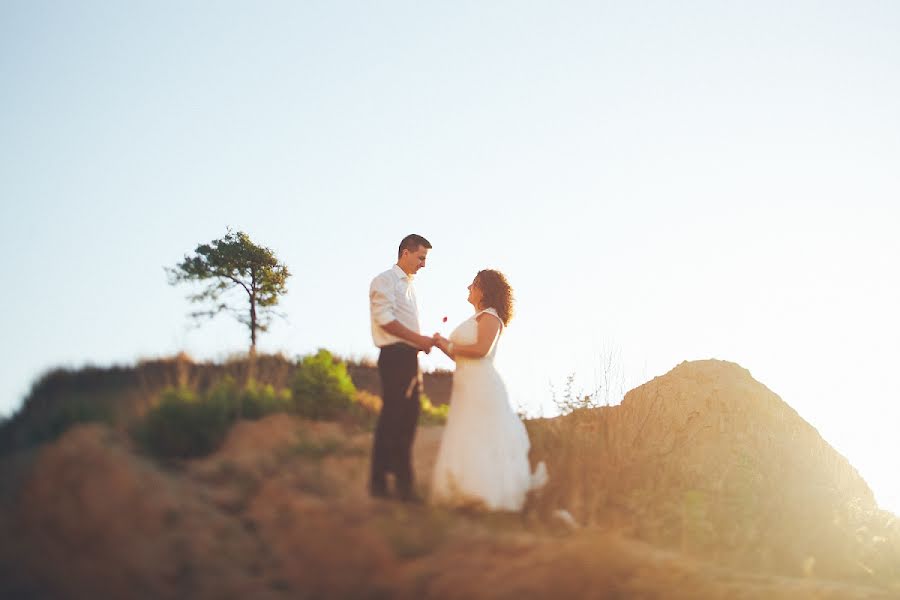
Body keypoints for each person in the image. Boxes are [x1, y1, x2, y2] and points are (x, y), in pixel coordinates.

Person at [431, 269, 547, 511]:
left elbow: (481, 350)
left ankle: (484, 496)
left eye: (473, 284)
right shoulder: (478, 318)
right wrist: (441, 344)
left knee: (481, 436)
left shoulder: (491, 317)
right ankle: (464, 493)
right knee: (467, 435)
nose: (468, 288)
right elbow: (460, 356)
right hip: (466, 384)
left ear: (484, 290)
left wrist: (450, 344)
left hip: (482, 385)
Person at [368, 234, 434, 502]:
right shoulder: (384, 281)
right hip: (394, 357)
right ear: (405, 253)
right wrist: (419, 339)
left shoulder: (410, 286)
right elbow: (384, 320)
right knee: (392, 418)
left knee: (409, 420)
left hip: (411, 359)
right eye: (421, 258)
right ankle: (379, 484)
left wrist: (421, 343)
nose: (423, 264)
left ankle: (404, 484)